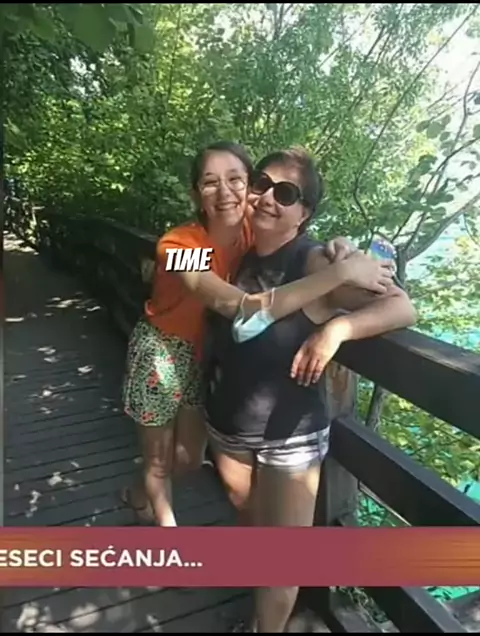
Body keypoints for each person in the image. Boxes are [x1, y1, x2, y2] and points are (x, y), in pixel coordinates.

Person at [121, 141, 392, 528]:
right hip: (161, 351)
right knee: (160, 463)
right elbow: (240, 307)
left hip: (203, 355)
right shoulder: (178, 246)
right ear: (196, 194)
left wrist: (339, 248)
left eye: (235, 179)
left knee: (189, 459)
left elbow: (290, 236)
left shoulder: (248, 233)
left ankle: (140, 491)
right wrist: (339, 273)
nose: (225, 192)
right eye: (210, 182)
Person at [203, 147, 417, 633]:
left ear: (304, 214)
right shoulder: (234, 247)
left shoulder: (315, 259)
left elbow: (402, 307)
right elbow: (190, 273)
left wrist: (337, 330)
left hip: (289, 436)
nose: (268, 198)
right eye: (262, 184)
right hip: (228, 428)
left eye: (286, 193)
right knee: (255, 534)